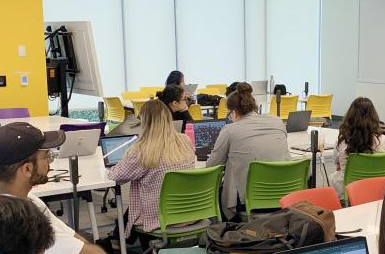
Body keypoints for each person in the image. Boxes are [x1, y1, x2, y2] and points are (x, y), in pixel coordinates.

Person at [0, 122, 113, 254]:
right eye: (46, 156)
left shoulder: (28, 201)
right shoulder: (22, 222)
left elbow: (73, 238)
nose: (49, 162)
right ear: (27, 169)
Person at [108, 100, 197, 232]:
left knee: (136, 206)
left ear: (144, 121)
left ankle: (118, 241)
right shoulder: (185, 141)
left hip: (159, 219)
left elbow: (116, 176)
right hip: (191, 214)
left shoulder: (142, 150)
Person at [206, 82, 289, 219]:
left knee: (219, 192)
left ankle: (227, 233)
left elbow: (212, 166)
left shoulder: (230, 130)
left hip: (250, 201)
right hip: (284, 196)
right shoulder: (277, 121)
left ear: (234, 112)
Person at [332, 97, 385, 197]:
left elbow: (336, 164)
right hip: (376, 190)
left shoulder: (342, 141)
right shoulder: (384, 140)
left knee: (335, 174)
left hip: (348, 192)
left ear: (349, 117)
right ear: (374, 116)